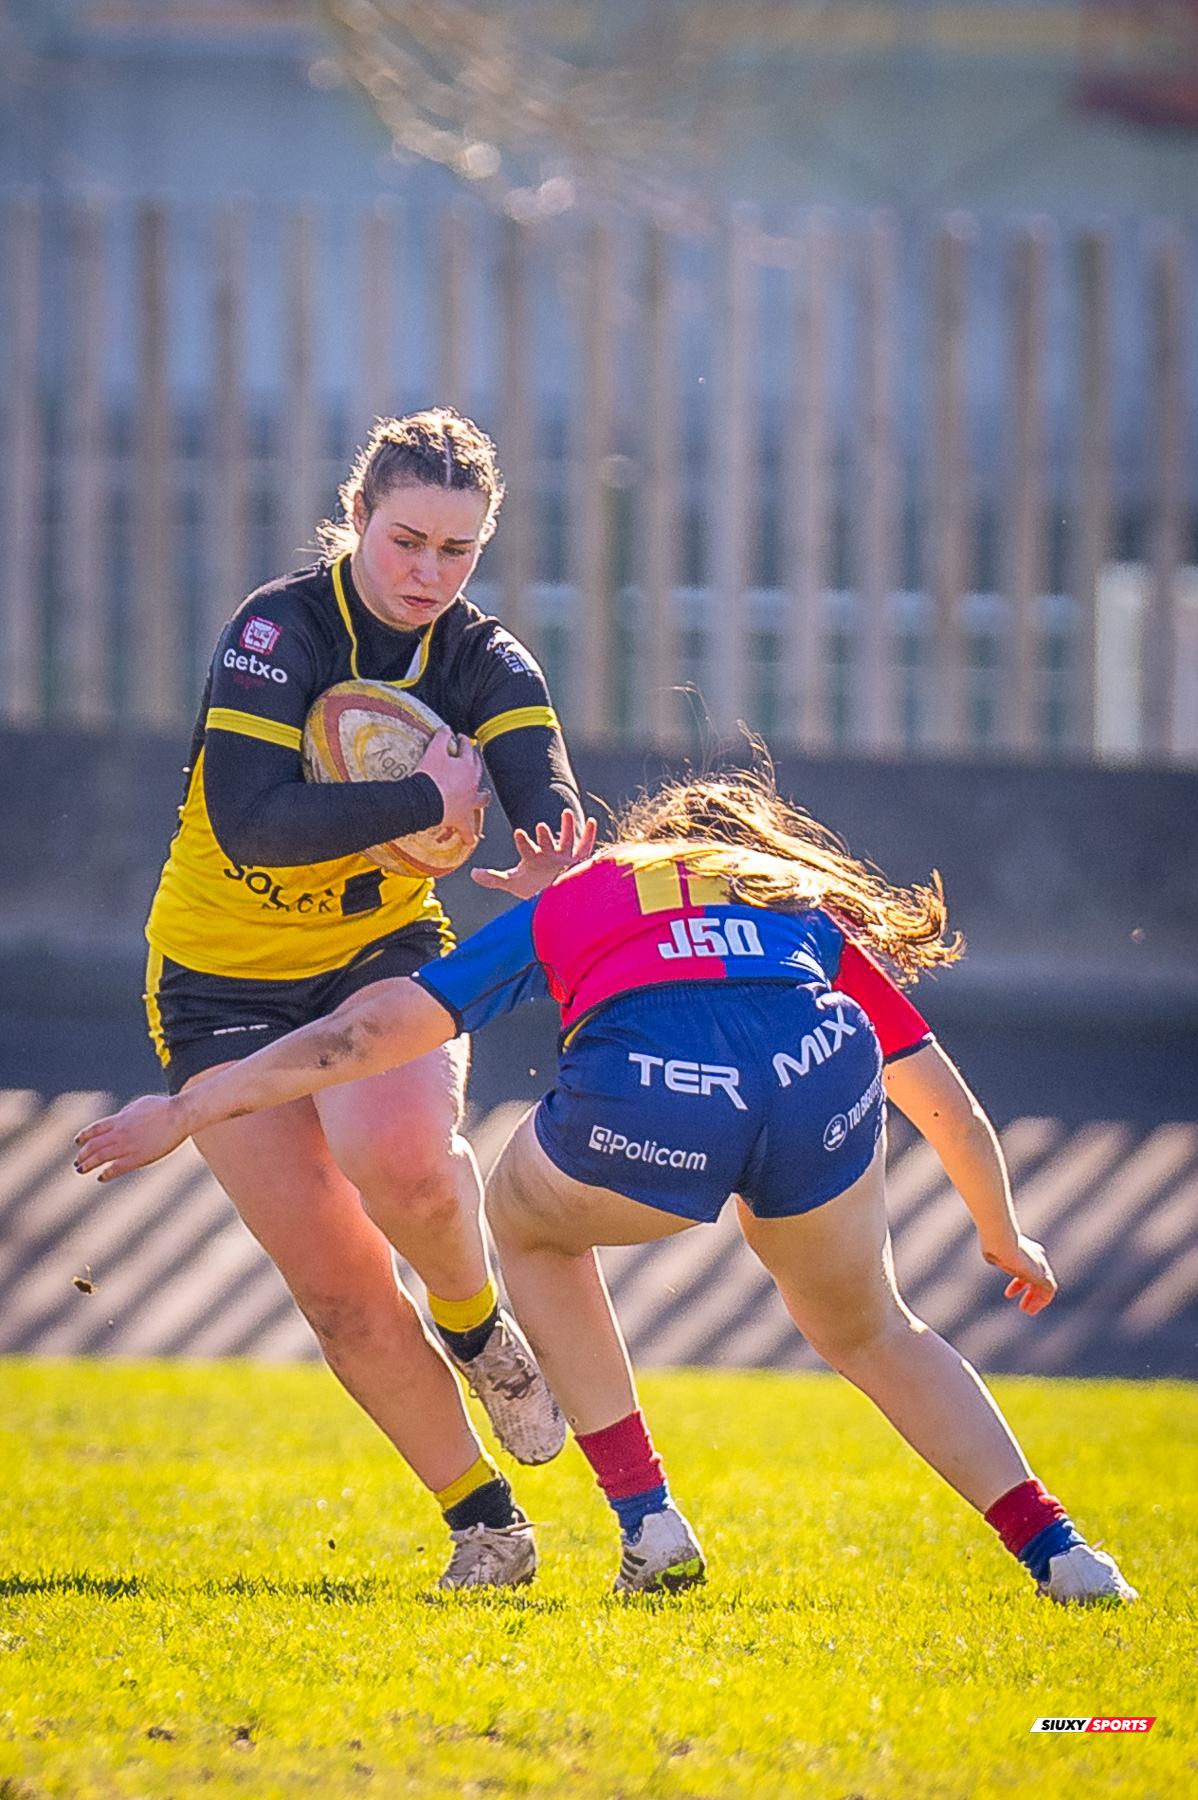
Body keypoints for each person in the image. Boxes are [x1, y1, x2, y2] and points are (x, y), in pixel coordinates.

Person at [79, 770, 1138, 1606]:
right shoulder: (793, 900)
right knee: (875, 1332)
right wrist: (1003, 1231)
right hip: (816, 1071)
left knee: (526, 1227)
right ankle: (1062, 1553)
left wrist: (190, 1108)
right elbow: (940, 1097)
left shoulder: (581, 895)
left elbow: (365, 1034)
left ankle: (648, 1521)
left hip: (658, 1094)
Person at [134, 407, 591, 1591]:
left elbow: (540, 788)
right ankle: (486, 1526)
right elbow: (253, 822)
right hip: (215, 982)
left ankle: (475, 1325)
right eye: (405, 541)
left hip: (375, 949)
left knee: (399, 1158)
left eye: (457, 550)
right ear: (356, 517)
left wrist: (550, 855)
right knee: (337, 1290)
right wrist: (427, 801)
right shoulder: (276, 632)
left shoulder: (485, 658)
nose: (428, 572)